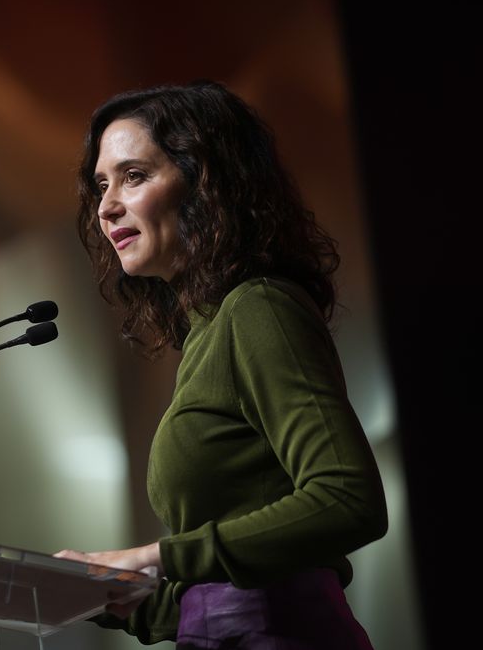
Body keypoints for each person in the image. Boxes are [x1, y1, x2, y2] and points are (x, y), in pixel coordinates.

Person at [54, 81, 388, 649]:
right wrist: (109, 597)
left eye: (133, 176)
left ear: (206, 184)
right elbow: (213, 601)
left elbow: (347, 500)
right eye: (102, 185)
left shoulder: (259, 307)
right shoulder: (207, 331)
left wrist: (156, 557)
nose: (107, 206)